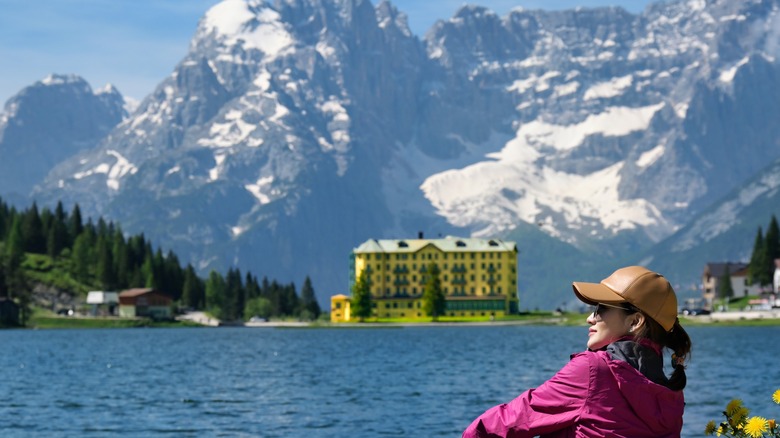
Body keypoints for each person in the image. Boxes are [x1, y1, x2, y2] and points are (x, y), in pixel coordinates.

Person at [463, 266, 692, 438]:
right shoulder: (671, 391)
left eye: (600, 308)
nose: (590, 317)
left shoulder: (593, 371)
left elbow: (507, 422)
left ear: (635, 321)